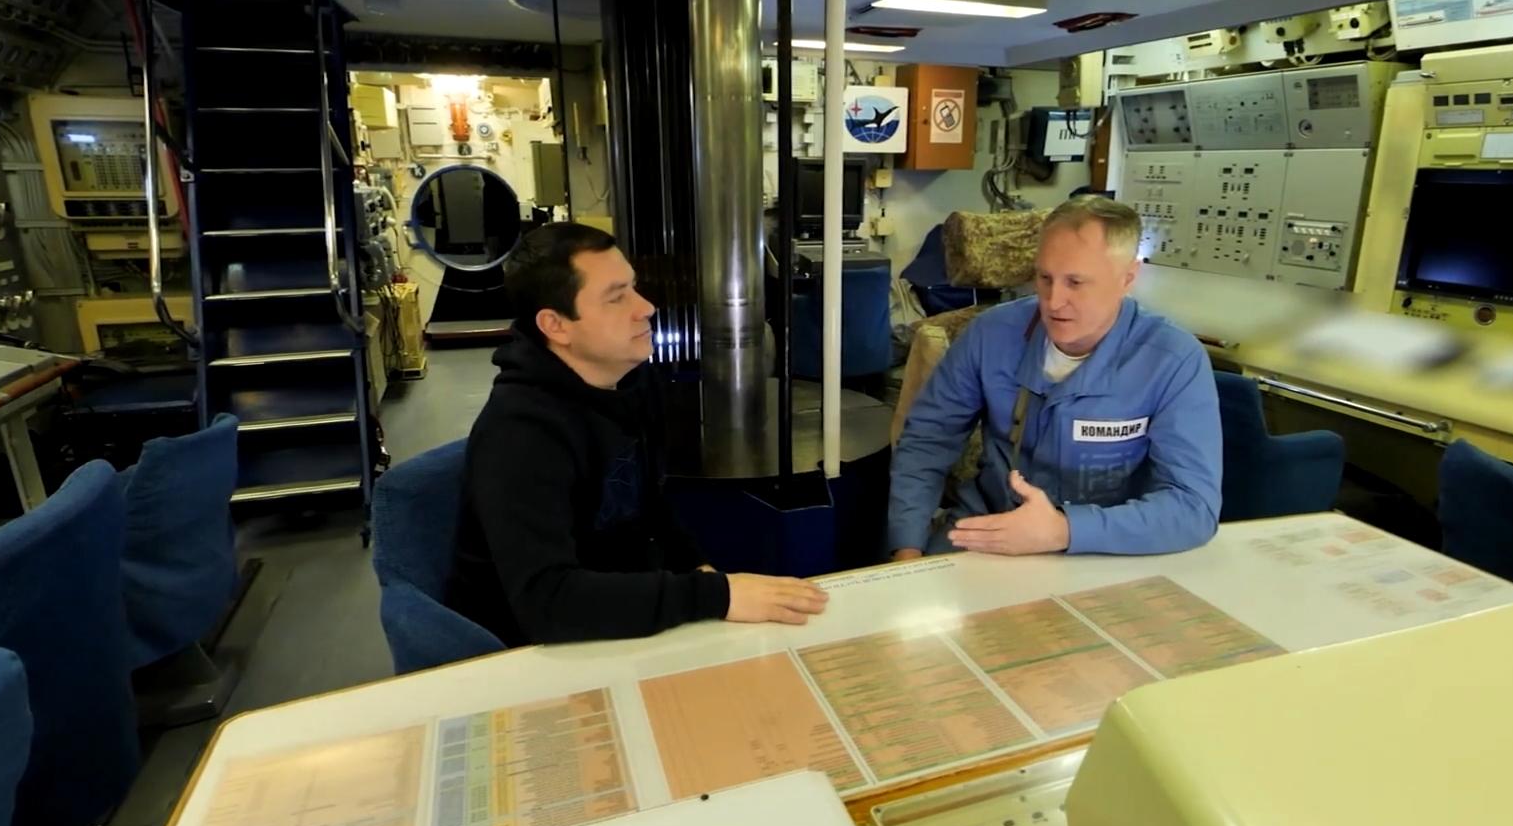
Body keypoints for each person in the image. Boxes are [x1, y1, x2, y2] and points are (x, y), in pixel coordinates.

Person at [444, 222, 828, 646]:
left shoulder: (630, 382)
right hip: (527, 652)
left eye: (634, 287)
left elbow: (650, 510)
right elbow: (548, 604)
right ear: (556, 325)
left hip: (619, 619)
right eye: (616, 298)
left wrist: (700, 570)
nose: (645, 307)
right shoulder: (519, 435)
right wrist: (715, 596)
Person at [887, 195, 1221, 559]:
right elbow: (927, 441)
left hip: (1109, 547)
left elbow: (1193, 508)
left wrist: (1065, 530)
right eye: (1044, 278)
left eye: (1075, 282)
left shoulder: (1174, 360)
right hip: (989, 528)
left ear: (1127, 278)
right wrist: (907, 549)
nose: (1053, 301)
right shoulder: (990, 334)